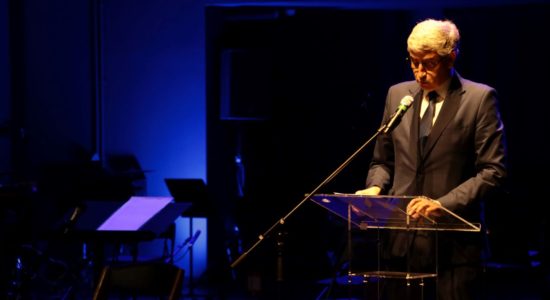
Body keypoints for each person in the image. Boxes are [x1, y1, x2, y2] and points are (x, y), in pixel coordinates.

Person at [356, 18, 507, 300]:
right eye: (413, 62)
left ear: (451, 57)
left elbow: (493, 171)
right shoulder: (397, 95)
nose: (419, 72)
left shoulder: (479, 99)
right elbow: (382, 161)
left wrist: (443, 204)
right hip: (399, 247)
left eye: (428, 63)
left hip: (453, 251)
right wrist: (375, 188)